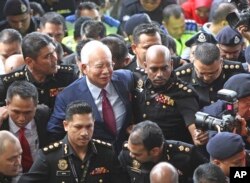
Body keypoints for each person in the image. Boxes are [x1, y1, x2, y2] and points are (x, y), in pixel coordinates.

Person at [47, 40, 134, 152]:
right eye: (99, 66)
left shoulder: (125, 79)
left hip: (126, 155)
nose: (106, 71)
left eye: (109, 65)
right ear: (84, 68)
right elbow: (54, 133)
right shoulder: (68, 96)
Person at [18, 100, 129, 183]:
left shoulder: (106, 153)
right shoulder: (49, 157)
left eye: (89, 126)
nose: (84, 133)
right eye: (78, 127)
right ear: (66, 125)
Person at [133, 44, 205, 144]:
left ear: (171, 65)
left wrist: (197, 136)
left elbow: (193, 127)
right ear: (145, 66)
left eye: (164, 68)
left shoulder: (184, 93)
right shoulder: (139, 84)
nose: (159, 74)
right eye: (154, 69)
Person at [0, 32, 77, 109]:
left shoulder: (68, 76)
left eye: (53, 52)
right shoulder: (9, 83)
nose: (55, 58)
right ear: (29, 62)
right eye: (47, 56)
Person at [119, 121, 208, 183]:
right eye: (130, 150)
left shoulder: (187, 156)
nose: (131, 155)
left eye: (137, 154)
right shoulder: (126, 154)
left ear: (155, 151)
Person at [175, 42, 245, 108]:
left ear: (221, 62)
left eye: (212, 73)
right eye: (201, 73)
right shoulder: (180, 77)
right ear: (194, 62)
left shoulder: (236, 71)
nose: (206, 78)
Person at [0, 80, 50, 172]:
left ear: (36, 105)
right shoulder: (2, 123)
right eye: (16, 112)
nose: (22, 118)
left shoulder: (44, 114)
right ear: (7, 104)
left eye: (28, 112)